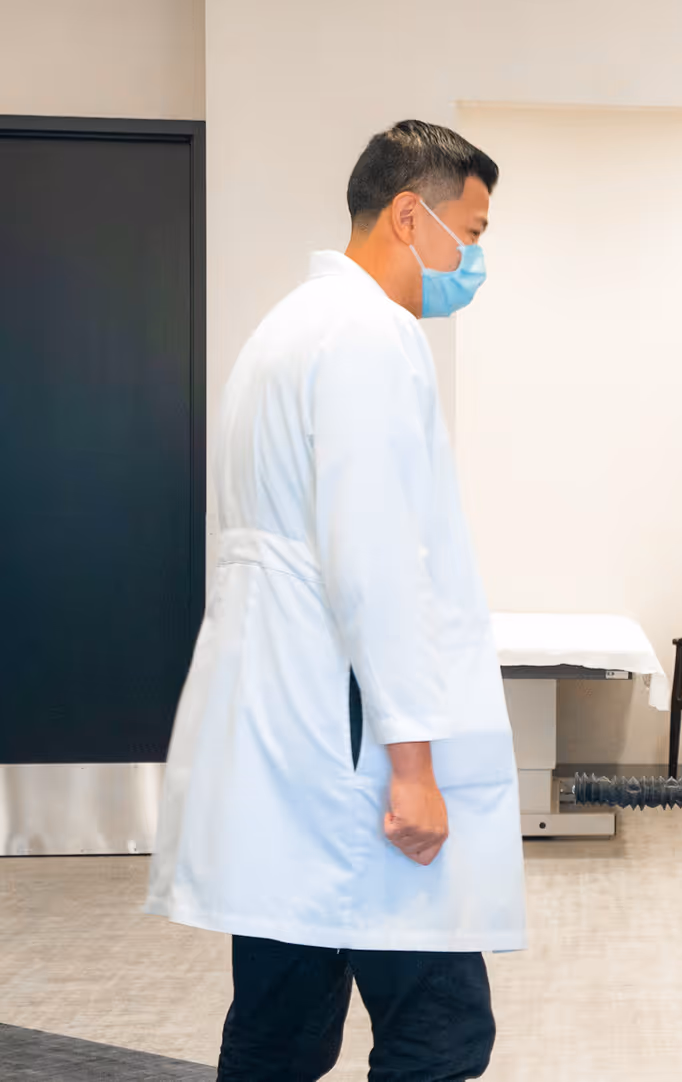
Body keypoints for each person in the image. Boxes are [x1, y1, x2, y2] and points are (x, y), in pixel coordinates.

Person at [145, 120, 522, 1081]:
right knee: (439, 1031)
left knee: (281, 1024)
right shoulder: (369, 337)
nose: (474, 260)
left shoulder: (288, 329)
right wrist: (412, 767)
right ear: (410, 215)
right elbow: (375, 560)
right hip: (347, 749)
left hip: (282, 735)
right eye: (470, 233)